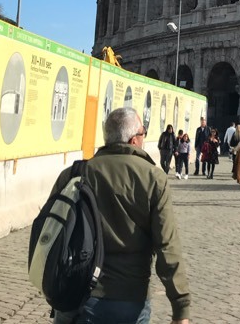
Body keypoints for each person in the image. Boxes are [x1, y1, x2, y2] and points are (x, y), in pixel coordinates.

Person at [52, 107, 190, 324]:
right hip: (129, 299)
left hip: (75, 296)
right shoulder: (153, 179)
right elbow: (167, 246)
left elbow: (53, 233)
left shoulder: (74, 174)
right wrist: (180, 306)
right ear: (134, 140)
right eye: (143, 133)